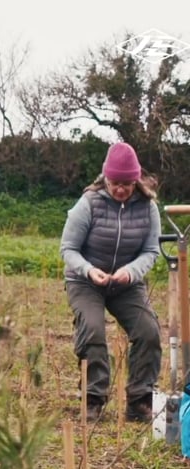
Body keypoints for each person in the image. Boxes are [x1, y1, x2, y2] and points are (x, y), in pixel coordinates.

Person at [60, 142, 161, 423]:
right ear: (106, 178)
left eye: (127, 184)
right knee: (92, 330)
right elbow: (68, 249)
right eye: (116, 183)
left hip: (125, 283)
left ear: (136, 180)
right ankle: (93, 398)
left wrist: (131, 271)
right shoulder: (89, 204)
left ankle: (140, 400)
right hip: (86, 281)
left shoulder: (148, 207)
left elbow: (151, 251)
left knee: (149, 331)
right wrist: (90, 271)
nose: (120, 189)